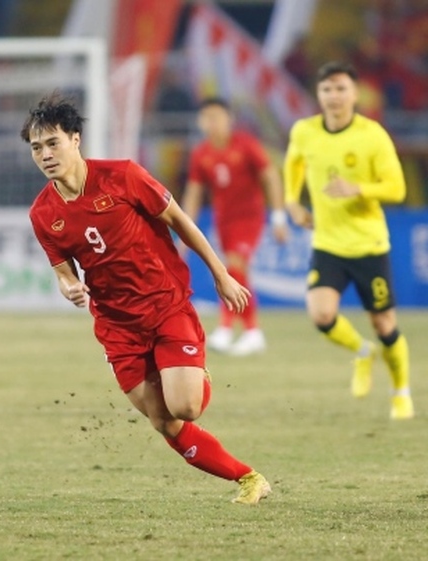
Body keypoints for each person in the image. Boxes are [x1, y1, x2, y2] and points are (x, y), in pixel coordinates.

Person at [23, 92, 271, 505]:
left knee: (186, 408)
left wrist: (221, 274)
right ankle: (249, 478)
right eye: (36, 148)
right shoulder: (42, 214)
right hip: (117, 325)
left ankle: (192, 370)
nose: (45, 154)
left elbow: (179, 220)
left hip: (165, 305)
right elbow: (63, 272)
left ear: (76, 139)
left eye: (53, 143)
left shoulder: (122, 175)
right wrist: (68, 287)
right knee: (164, 420)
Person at [284, 61, 413, 420]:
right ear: (319, 94)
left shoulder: (372, 135)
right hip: (327, 243)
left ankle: (400, 391)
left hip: (369, 245)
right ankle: (361, 352)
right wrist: (291, 201)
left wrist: (357, 189)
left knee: (385, 324)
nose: (334, 96)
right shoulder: (305, 131)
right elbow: (293, 164)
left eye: (341, 89)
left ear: (355, 94)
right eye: (327, 89)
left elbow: (397, 188)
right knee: (321, 314)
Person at [181, 97, 290, 356]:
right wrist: (184, 228)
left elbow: (271, 177)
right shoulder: (201, 153)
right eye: (207, 118)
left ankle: (228, 328)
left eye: (217, 117)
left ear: (229, 119)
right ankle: (252, 333)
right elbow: (194, 193)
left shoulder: (246, 145)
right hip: (223, 221)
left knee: (235, 266)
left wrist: (278, 217)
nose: (212, 123)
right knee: (236, 272)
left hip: (250, 218)